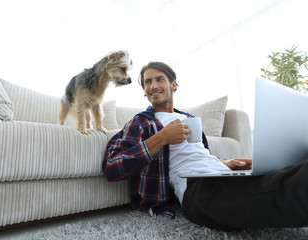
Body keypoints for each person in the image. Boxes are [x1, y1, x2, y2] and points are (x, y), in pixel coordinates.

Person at [102, 61, 308, 230]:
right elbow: (112, 167)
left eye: (159, 79)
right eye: (147, 82)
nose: (153, 85)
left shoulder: (190, 119)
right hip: (198, 190)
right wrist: (162, 137)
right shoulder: (141, 122)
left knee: (287, 171)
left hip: (221, 176)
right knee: (290, 187)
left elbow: (197, 155)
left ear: (173, 84)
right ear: (145, 91)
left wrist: (225, 163)